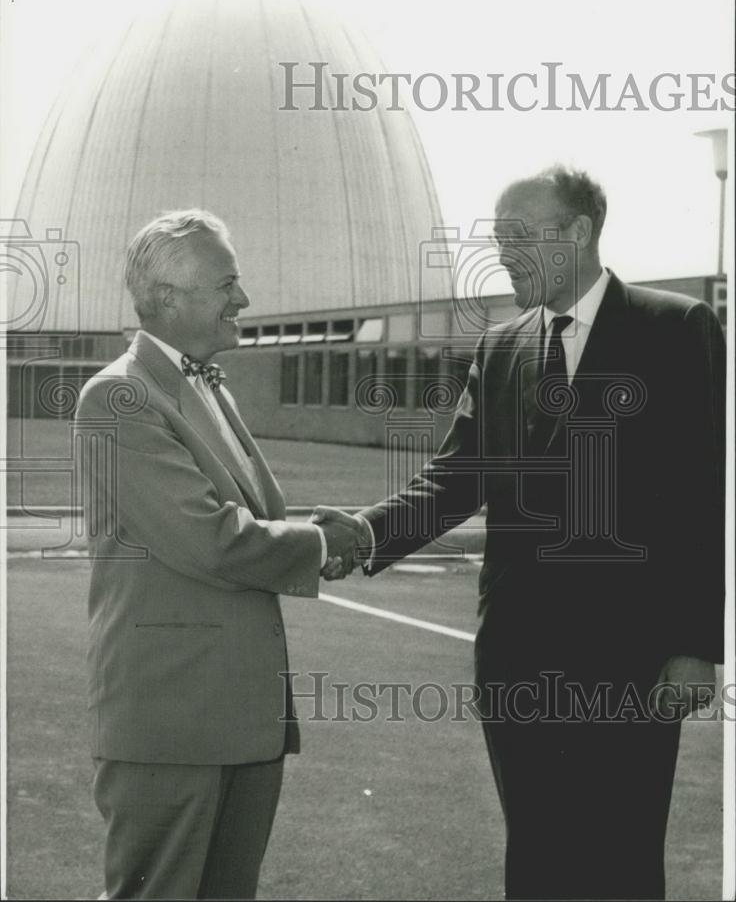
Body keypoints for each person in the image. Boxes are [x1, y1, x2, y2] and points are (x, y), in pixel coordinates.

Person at [316, 166, 725, 900]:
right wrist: (365, 532)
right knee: (536, 853)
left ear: (578, 233)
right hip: (517, 655)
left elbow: (704, 493)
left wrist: (696, 646)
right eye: (497, 238)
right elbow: (456, 476)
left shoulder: (676, 328)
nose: (502, 253)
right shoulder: (501, 348)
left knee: (622, 858)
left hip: (629, 659)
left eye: (518, 236)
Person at [74, 209, 359, 901]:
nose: (245, 299)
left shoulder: (204, 384)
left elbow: (256, 520)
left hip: (242, 721)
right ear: (169, 297)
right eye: (228, 282)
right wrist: (328, 543)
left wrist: (324, 534)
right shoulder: (119, 396)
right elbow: (211, 539)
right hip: (171, 726)